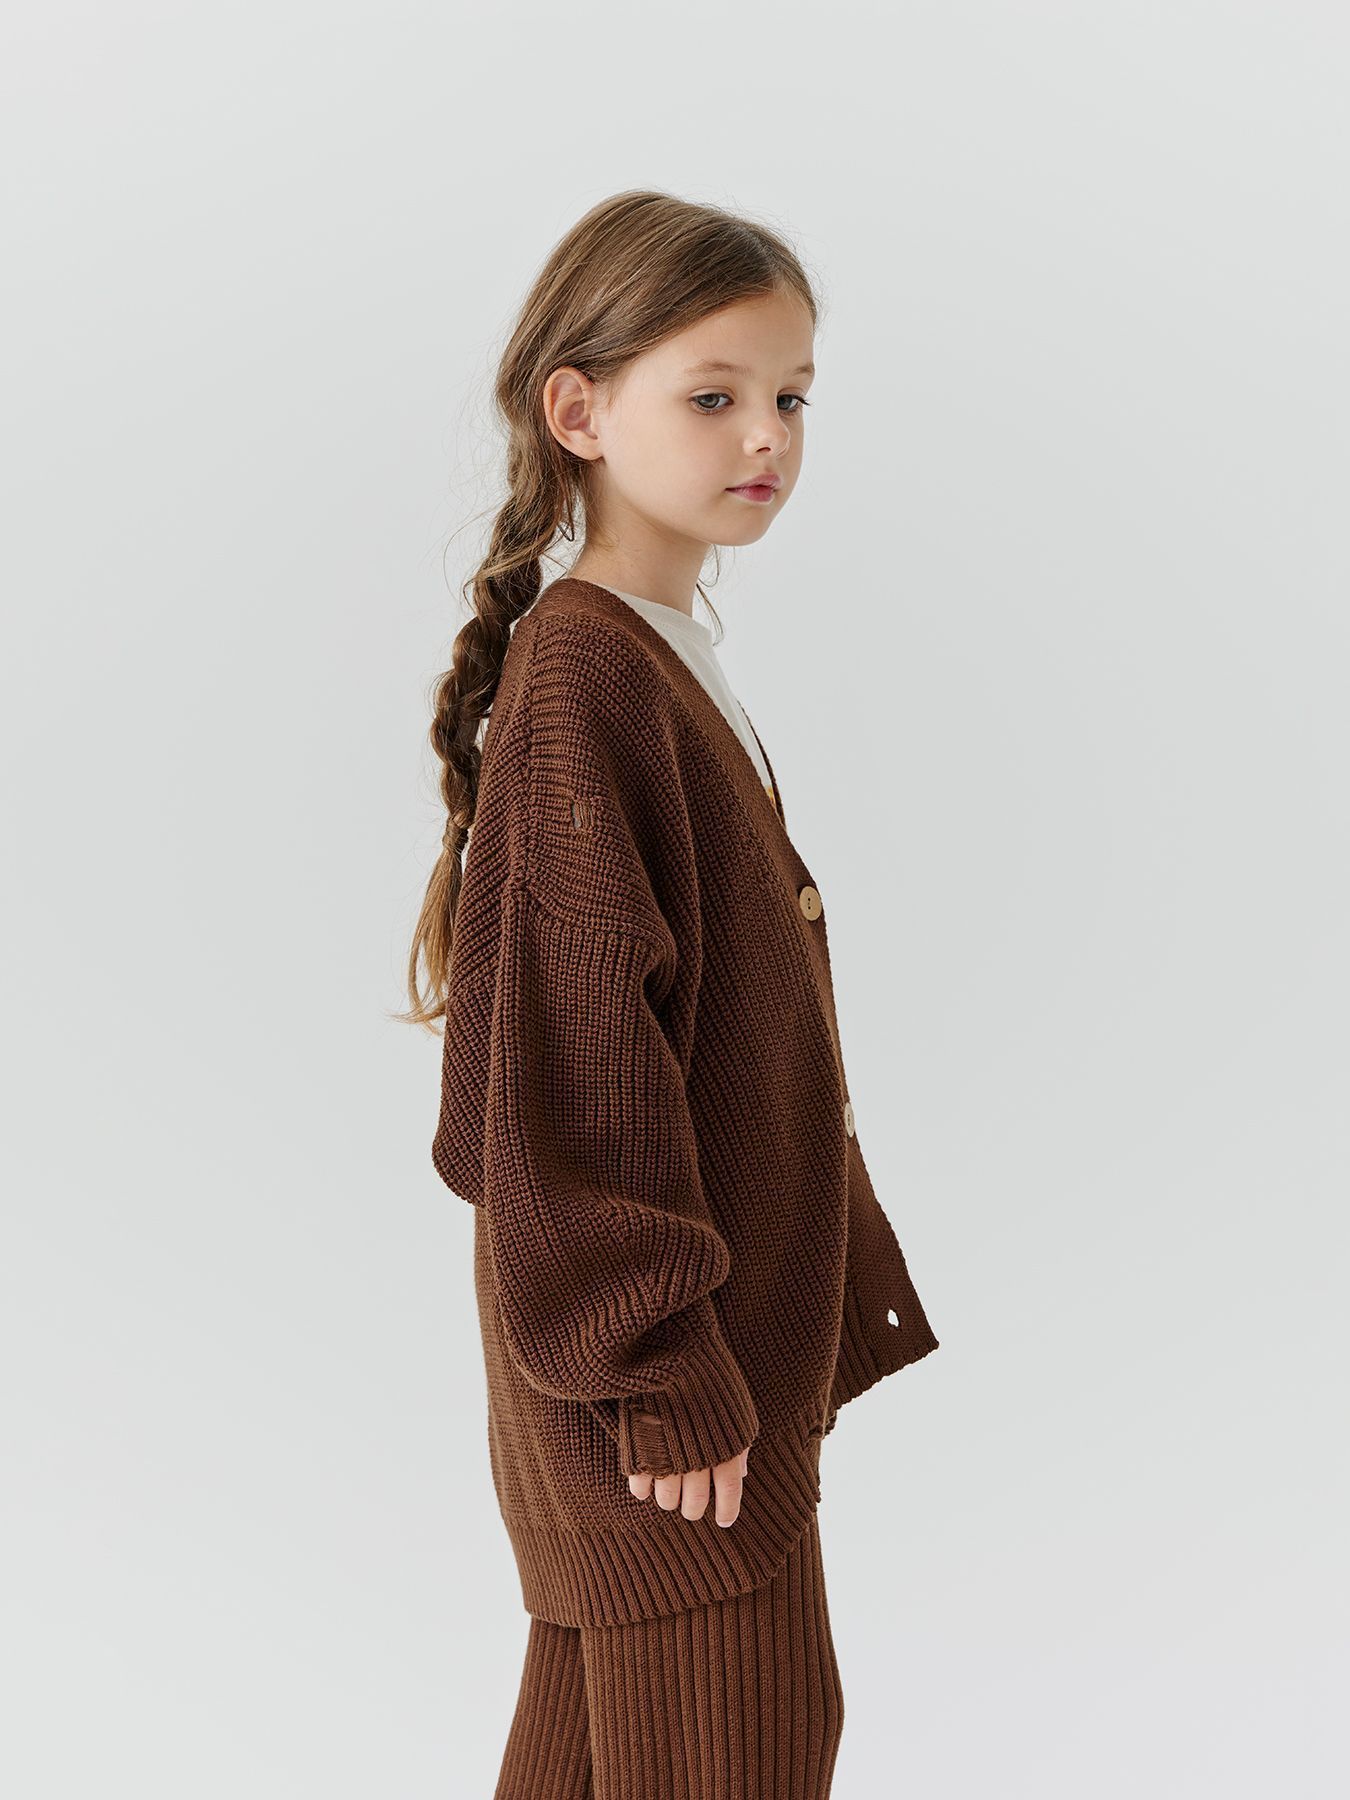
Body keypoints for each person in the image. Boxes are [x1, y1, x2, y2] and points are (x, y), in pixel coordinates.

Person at [401, 189, 941, 1800]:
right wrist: (658, 1357)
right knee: (739, 1752)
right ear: (577, 412)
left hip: (674, 1375)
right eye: (711, 395)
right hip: (666, 1393)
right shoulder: (591, 673)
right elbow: (567, 1061)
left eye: (790, 397)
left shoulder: (652, 647)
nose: (764, 436)